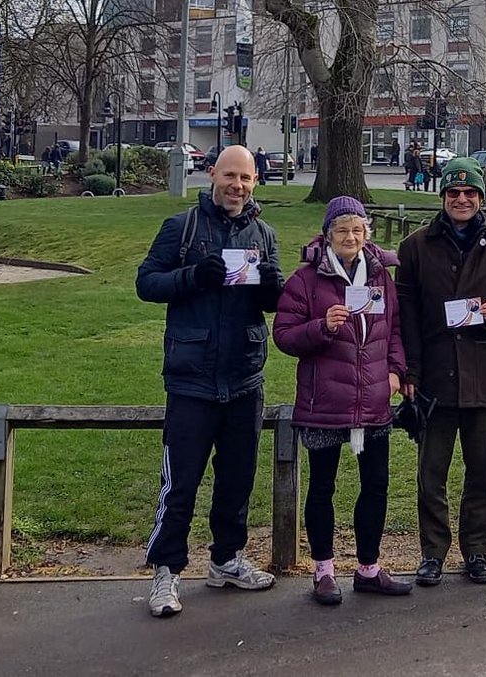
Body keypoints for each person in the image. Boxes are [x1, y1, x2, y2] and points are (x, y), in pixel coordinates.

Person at [135, 146, 284, 618]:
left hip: (244, 375)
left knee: (237, 480)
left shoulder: (264, 233)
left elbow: (273, 302)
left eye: (245, 178)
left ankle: (226, 560)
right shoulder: (183, 228)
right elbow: (147, 283)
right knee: (180, 482)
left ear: (255, 181)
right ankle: (166, 571)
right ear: (212, 174)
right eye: (229, 176)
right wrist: (194, 276)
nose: (236, 186)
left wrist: (271, 287)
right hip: (192, 377)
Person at [396, 158, 486, 587]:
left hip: (484, 372)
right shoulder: (416, 246)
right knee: (431, 472)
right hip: (435, 375)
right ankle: (432, 553)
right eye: (454, 193)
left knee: (483, 470)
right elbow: (408, 315)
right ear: (442, 197)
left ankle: (476, 550)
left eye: (469, 193)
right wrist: (410, 372)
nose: (461, 200)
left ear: (480, 198)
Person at [272, 196, 414, 605]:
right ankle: (323, 571)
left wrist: (396, 371)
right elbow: (284, 335)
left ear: (366, 233)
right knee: (322, 488)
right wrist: (321, 327)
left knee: (376, 486)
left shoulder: (380, 278)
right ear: (328, 235)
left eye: (357, 229)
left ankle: (368, 568)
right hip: (324, 402)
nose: (350, 237)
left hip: (373, 400)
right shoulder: (305, 280)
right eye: (342, 230)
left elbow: (396, 328)